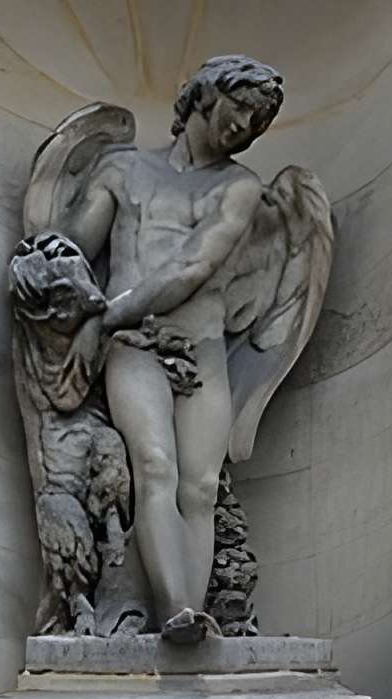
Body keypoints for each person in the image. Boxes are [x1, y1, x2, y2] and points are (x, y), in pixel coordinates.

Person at [61, 56, 284, 642]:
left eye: (258, 121)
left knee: (202, 486)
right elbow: (73, 251)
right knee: (154, 465)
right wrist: (50, 271)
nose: (246, 126)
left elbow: (194, 266)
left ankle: (192, 613)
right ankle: (177, 610)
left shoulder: (239, 186)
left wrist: (102, 319)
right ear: (208, 95)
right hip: (134, 345)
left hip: (200, 345)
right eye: (241, 108)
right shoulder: (122, 169)